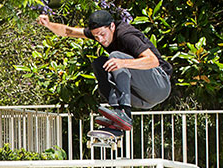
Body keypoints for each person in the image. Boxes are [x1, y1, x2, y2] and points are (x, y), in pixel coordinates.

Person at [37, 9, 171, 132]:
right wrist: (48, 25)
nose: (100, 40)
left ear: (112, 26)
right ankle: (117, 119)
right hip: (141, 97)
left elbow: (153, 61)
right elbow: (69, 32)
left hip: (159, 85)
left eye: (102, 34)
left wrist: (123, 63)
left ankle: (124, 112)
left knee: (114, 57)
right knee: (99, 63)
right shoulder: (99, 33)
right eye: (96, 37)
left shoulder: (126, 35)